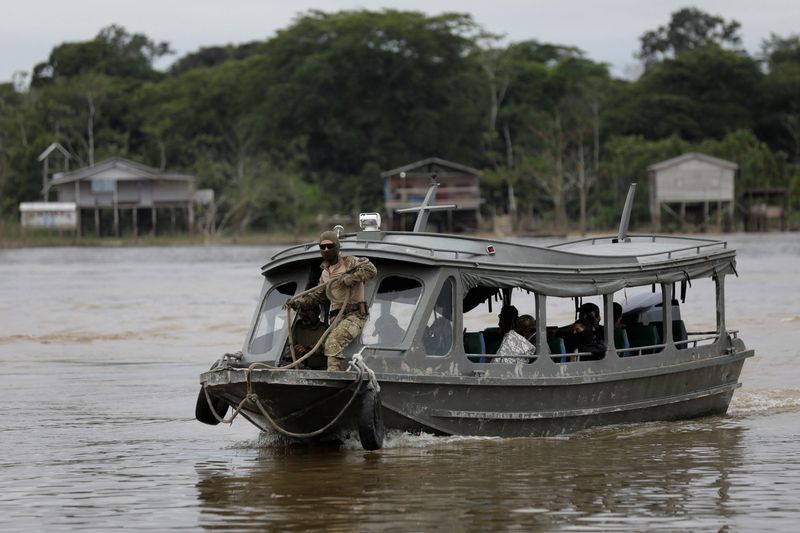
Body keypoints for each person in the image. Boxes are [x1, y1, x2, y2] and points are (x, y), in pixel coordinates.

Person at [286, 230, 377, 371]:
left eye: (330, 246)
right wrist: (297, 303)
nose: (326, 250)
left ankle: (333, 374)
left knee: (333, 341)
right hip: (335, 318)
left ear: (337, 247)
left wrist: (351, 278)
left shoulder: (350, 262)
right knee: (323, 344)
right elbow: (317, 296)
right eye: (323, 247)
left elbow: (371, 270)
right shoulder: (325, 273)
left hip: (354, 315)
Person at [282, 304, 327, 369]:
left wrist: (306, 350)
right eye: (303, 311)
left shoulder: (325, 329)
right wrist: (294, 349)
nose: (304, 314)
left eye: (308, 311)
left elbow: (323, 347)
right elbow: (287, 345)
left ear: (317, 312)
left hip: (318, 369)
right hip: (297, 366)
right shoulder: (296, 326)